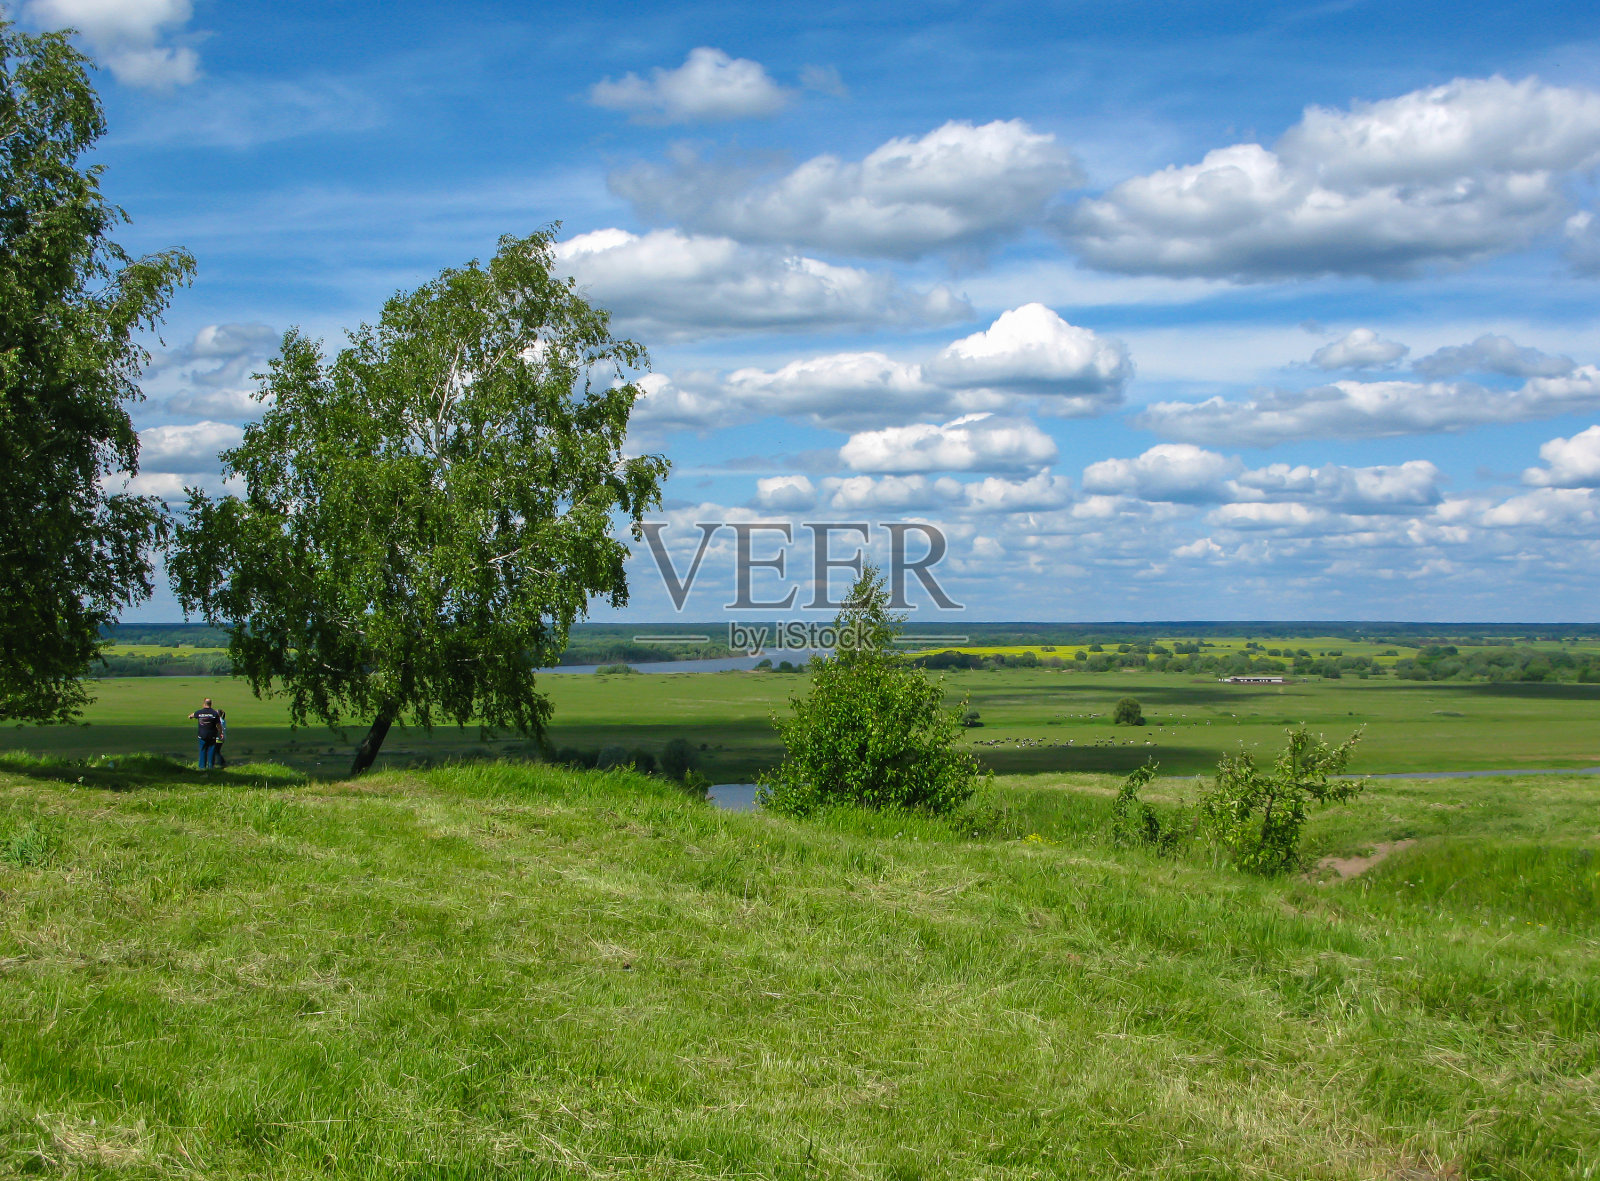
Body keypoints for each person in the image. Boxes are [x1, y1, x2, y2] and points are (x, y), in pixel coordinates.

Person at [189, 698, 221, 769]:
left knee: (202, 750)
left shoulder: (199, 712)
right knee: (211, 751)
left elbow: (192, 715)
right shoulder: (214, 713)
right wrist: (220, 733)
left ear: (204, 704)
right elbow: (218, 725)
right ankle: (210, 767)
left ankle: (202, 767)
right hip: (212, 735)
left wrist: (190, 716)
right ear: (211, 704)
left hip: (202, 735)